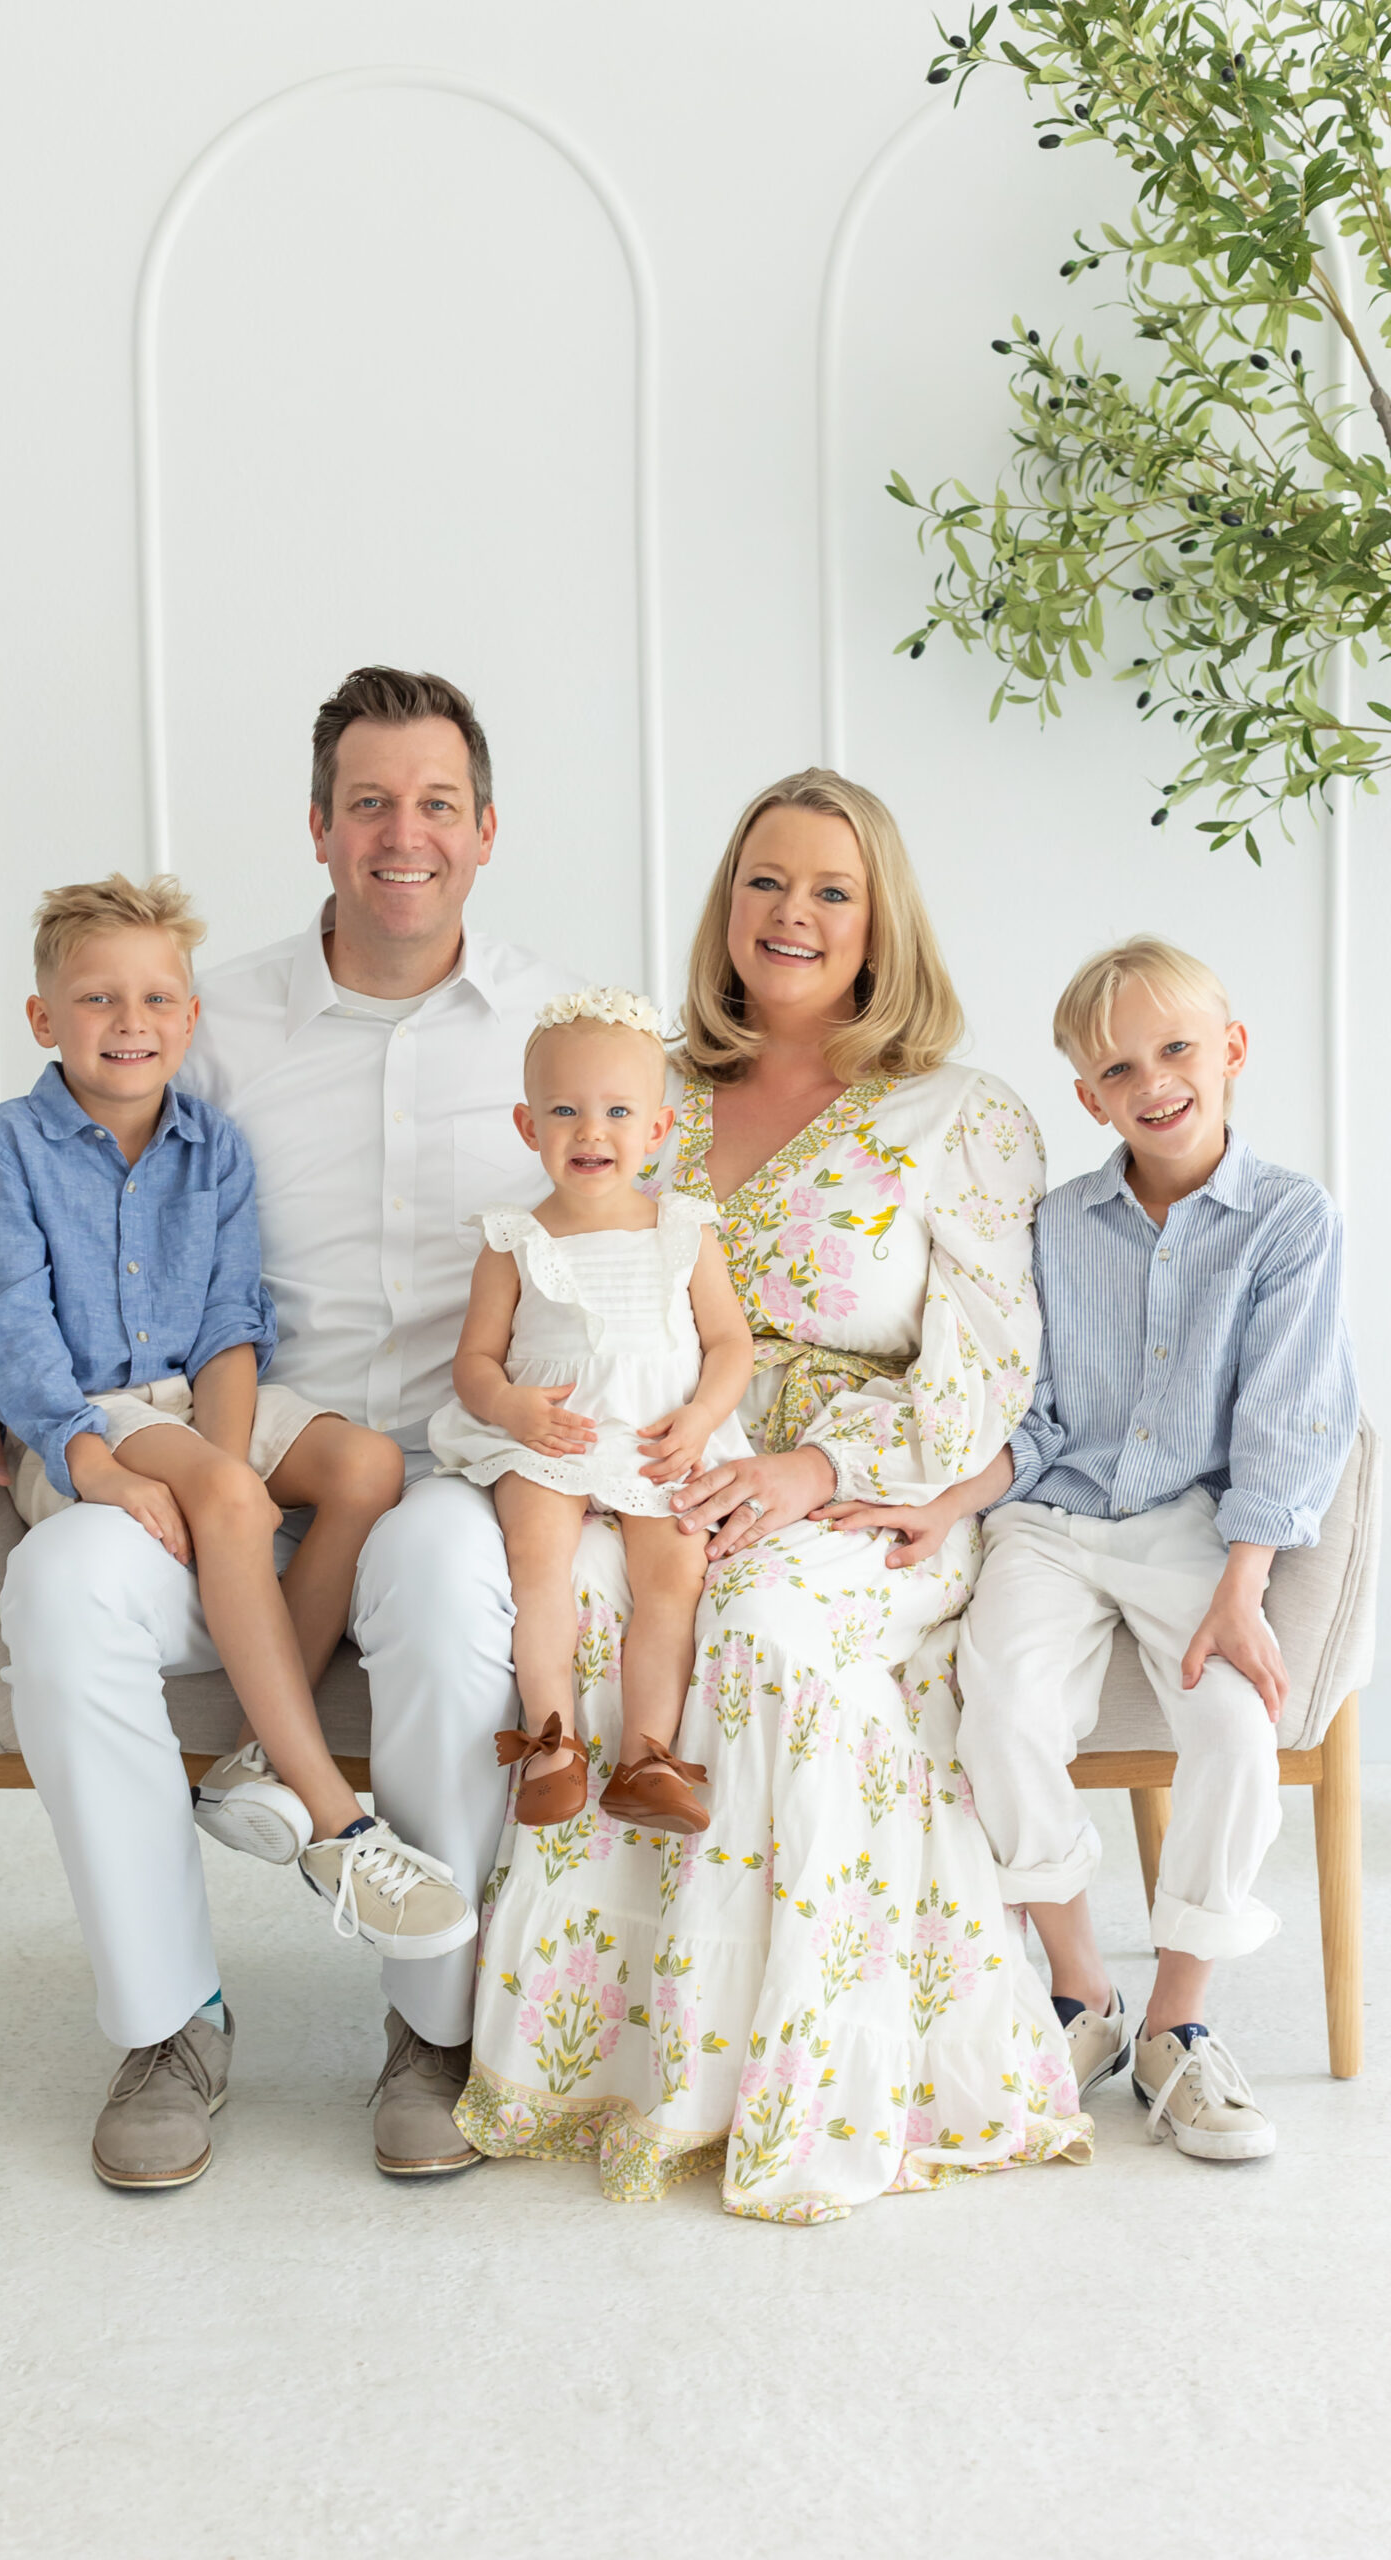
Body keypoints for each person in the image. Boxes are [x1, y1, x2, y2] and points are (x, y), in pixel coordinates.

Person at [0, 668, 564, 2188]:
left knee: (455, 1592)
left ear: (485, 829)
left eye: (437, 804)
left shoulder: (547, 1028)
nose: (405, 834)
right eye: (370, 803)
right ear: (318, 829)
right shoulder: (209, 1013)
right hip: (211, 1451)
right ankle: (168, 2026)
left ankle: (432, 2027)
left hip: (442, 1470)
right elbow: (62, 1189)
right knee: (56, 1594)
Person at [453, 769, 1092, 2223]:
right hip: (652, 1466)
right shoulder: (647, 1089)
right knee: (597, 1614)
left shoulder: (956, 1114)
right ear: (723, 904)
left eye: (828, 889)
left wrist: (810, 1470)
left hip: (872, 1483)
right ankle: (604, 2070)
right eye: (762, 881)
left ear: (880, 923)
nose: (789, 914)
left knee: (765, 1639)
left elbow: (990, 1364)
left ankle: (808, 2079)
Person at [0, 870, 473, 1995]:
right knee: (231, 1497)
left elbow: (234, 1325)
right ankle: (338, 1827)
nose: (129, 1024)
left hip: (197, 1403)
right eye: (97, 1000)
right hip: (89, 1416)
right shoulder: (10, 1146)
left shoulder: (215, 1148)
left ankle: (252, 1751)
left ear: (191, 1020)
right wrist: (91, 1457)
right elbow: (6, 1325)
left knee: (368, 1465)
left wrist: (226, 1460)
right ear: (45, 1019)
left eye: (156, 1000)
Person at [951, 937, 1358, 2162]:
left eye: (1177, 1048)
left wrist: (1246, 1585)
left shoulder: (1291, 1219)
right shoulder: (1055, 1223)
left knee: (1236, 1726)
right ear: (1090, 1096)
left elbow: (1291, 1414)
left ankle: (1179, 2028)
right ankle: (1083, 1996)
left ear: (1230, 1051)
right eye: (1120, 1067)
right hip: (1052, 1519)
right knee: (1001, 1709)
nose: (1154, 1081)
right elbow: (1028, 1410)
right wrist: (949, 1500)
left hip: (1194, 1529)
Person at [429, 986, 753, 1835]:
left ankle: (647, 1756)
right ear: (527, 1126)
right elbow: (472, 1360)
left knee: (673, 1578)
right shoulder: (514, 1238)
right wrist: (507, 1405)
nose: (590, 1131)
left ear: (656, 1130)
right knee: (537, 1565)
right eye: (564, 1111)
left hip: (656, 1438)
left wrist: (701, 1416)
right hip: (550, 1440)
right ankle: (552, 1742)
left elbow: (729, 1345)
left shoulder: (682, 1228)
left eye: (616, 1111)